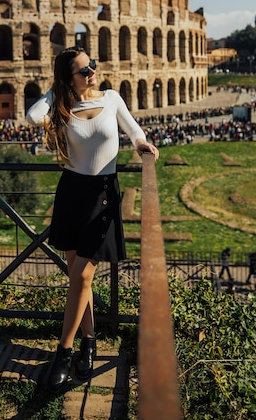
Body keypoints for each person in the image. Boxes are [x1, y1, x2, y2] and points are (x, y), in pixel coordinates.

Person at [26, 46, 158, 394]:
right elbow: (31, 115)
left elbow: (133, 130)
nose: (92, 73)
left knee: (82, 275)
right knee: (78, 278)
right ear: (69, 78)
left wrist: (143, 144)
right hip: (71, 192)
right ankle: (89, 342)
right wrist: (57, 90)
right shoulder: (62, 106)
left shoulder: (112, 98)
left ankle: (63, 354)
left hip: (102, 193)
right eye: (84, 70)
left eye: (93, 66)